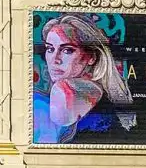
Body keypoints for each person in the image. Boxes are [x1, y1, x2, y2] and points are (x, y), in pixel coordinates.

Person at [33, 13, 135, 143]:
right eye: (50, 49)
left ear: (92, 57)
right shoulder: (103, 92)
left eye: (67, 50)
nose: (55, 60)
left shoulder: (64, 91)